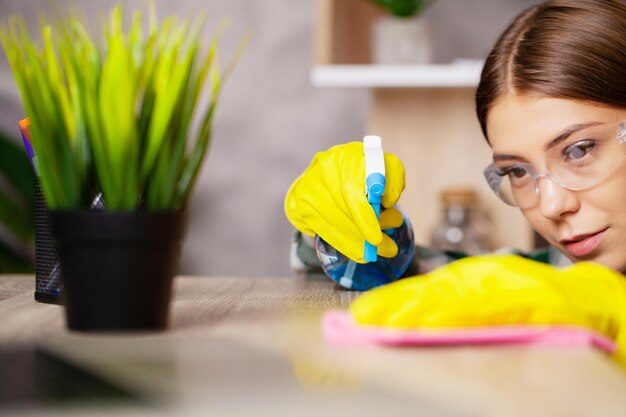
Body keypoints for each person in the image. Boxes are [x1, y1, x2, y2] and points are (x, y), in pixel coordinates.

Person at [285, 0, 626, 277]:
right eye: (518, 172)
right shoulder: (540, 282)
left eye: (579, 150)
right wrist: (333, 218)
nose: (552, 206)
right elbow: (377, 266)